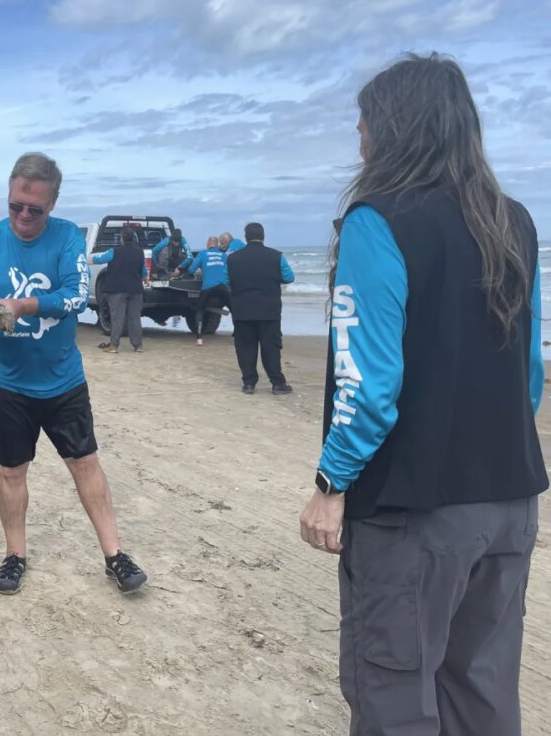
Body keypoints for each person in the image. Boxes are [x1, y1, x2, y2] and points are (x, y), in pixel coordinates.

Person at [299, 53, 548, 736]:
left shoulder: (377, 220)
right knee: (482, 689)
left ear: (395, 126)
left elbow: (368, 384)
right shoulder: (515, 222)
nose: (357, 128)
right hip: (509, 501)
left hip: (414, 511)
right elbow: (530, 371)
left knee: (395, 697)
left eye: (366, 116)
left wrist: (330, 481)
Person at [0, 152, 147, 595]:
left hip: (62, 379)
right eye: (16, 206)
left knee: (85, 462)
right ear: (7, 196)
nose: (25, 216)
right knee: (12, 471)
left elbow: (76, 297)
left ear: (52, 204)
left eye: (36, 209)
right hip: (5, 381)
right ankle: (15, 555)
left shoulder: (69, 237)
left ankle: (114, 555)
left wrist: (21, 306)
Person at [226, 222, 294, 394]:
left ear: (246, 237)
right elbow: (289, 277)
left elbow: (226, 281)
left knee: (245, 347)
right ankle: (277, 383)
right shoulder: (276, 256)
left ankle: (249, 383)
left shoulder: (233, 258)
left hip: (242, 310)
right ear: (263, 236)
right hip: (269, 310)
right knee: (271, 347)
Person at [92, 226, 148, 353]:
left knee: (117, 318)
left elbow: (100, 259)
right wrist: (145, 278)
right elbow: (143, 270)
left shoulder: (114, 251)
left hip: (117, 290)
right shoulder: (140, 252)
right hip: (135, 289)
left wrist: (88, 259)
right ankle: (138, 346)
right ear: (133, 239)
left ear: (121, 239)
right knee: (135, 318)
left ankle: (114, 346)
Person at [176, 236, 230, 345]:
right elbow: (227, 270)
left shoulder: (203, 254)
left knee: (200, 310)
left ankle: (199, 339)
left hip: (208, 287)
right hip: (222, 286)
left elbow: (192, 269)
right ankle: (237, 334)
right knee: (234, 308)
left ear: (208, 243)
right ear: (217, 243)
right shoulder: (223, 255)